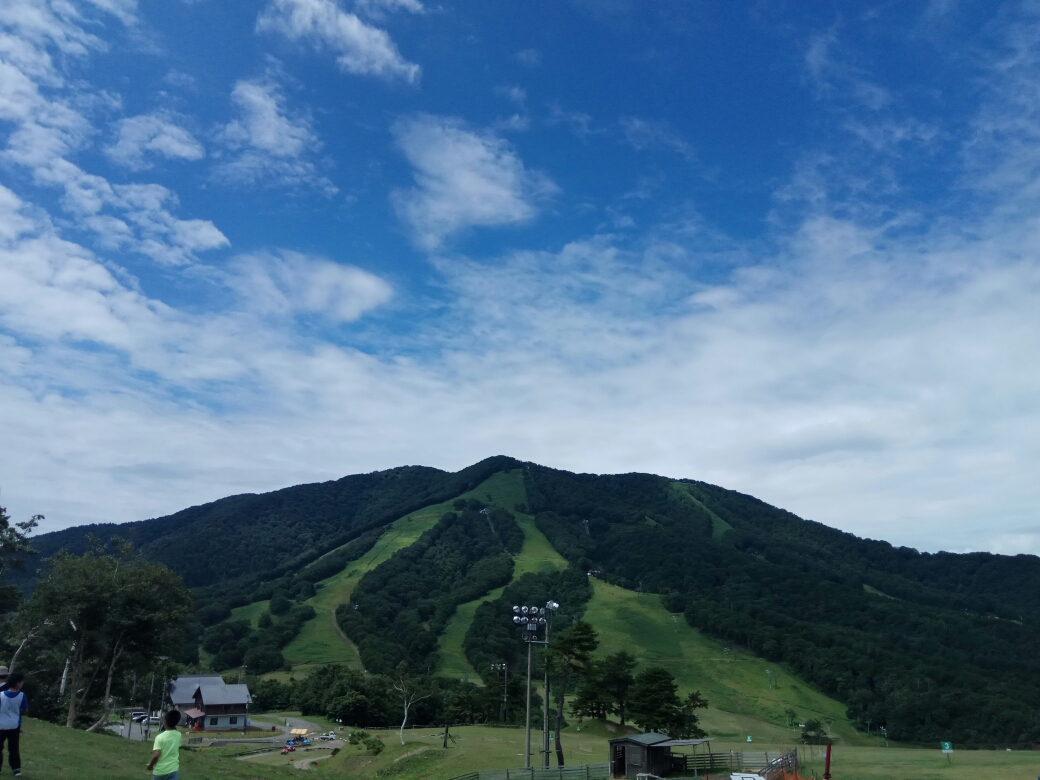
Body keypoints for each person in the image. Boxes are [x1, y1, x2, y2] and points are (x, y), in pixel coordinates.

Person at [0, 671, 28, 777]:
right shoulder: (22, 695)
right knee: (13, 748)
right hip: (14, 725)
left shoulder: (1, 695)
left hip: (1, 725)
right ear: (17, 683)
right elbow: (25, 709)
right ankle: (16, 768)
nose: (22, 684)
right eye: (21, 682)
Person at [146, 710, 182, 780]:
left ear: (165, 722)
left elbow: (156, 755)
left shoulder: (159, 737)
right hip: (173, 770)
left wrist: (151, 765)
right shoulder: (179, 735)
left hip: (160, 771)